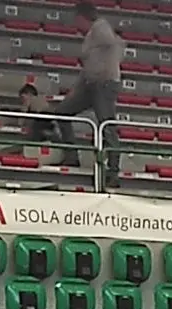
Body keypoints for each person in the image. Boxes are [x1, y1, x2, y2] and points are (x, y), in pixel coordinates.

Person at [54, 2, 124, 184]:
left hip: (104, 83)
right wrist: (76, 88)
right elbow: (87, 67)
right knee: (62, 112)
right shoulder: (91, 36)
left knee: (106, 125)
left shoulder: (100, 27)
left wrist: (109, 58)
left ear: (82, 18)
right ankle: (72, 155)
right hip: (89, 83)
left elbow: (111, 41)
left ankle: (113, 170)